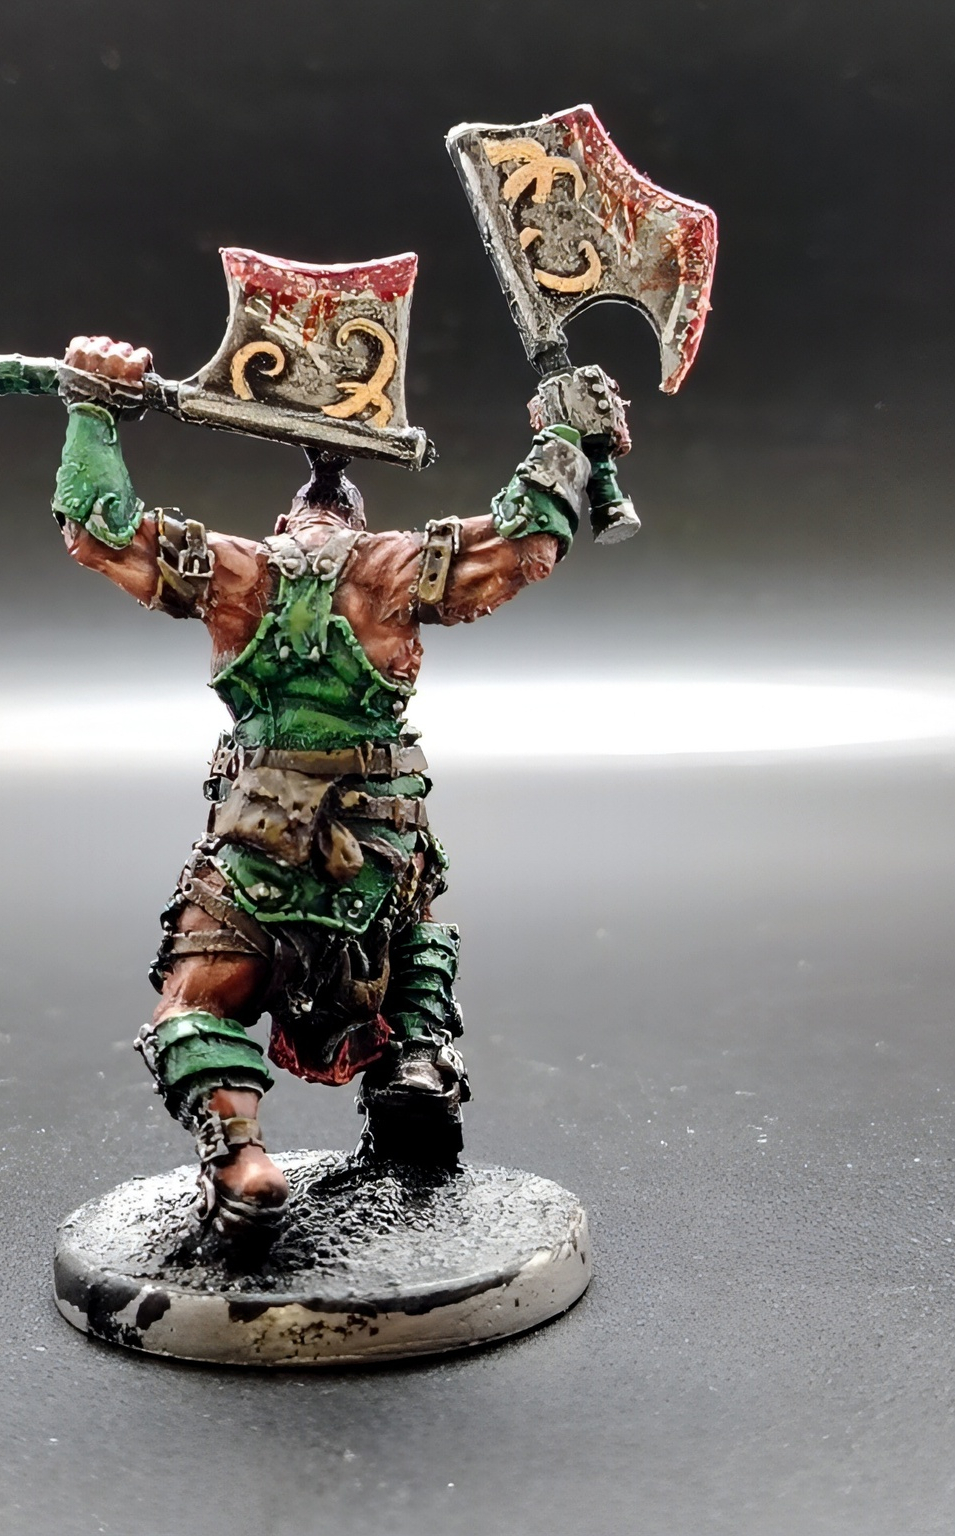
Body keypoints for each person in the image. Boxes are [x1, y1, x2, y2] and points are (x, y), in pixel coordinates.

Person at [49, 334, 632, 1236]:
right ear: (355, 520)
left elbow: (98, 530)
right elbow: (524, 543)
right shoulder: (394, 566)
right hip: (377, 854)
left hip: (256, 860)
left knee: (193, 1008)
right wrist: (563, 437)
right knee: (416, 921)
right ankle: (417, 1059)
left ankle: (242, 1157)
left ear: (287, 523)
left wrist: (94, 408)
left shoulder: (235, 569)